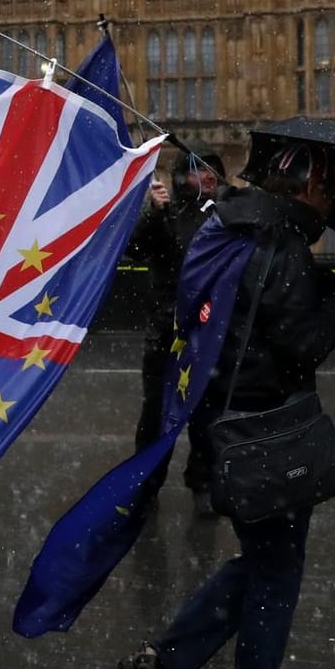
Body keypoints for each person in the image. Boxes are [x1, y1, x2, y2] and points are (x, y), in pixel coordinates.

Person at [119, 144, 335, 669]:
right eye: (327, 190)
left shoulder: (228, 225)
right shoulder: (280, 246)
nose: (331, 202)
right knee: (276, 574)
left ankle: (166, 663)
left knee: (261, 562)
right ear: (304, 188)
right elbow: (303, 344)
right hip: (268, 428)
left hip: (226, 417)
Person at [127, 150, 225, 518]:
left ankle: (201, 483)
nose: (211, 176)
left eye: (215, 170)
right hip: (166, 330)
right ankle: (146, 485)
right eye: (202, 170)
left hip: (209, 330)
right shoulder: (166, 214)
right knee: (156, 414)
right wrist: (154, 213)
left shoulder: (224, 214)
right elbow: (135, 249)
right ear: (184, 177)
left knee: (204, 414)